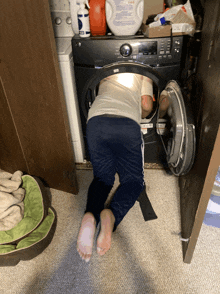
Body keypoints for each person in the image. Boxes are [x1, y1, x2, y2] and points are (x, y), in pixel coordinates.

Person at [77, 73, 154, 262]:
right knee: (134, 181)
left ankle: (90, 216)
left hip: (96, 120)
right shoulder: (142, 72)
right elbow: (146, 105)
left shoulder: (106, 66)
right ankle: (111, 216)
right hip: (127, 123)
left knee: (103, 178)